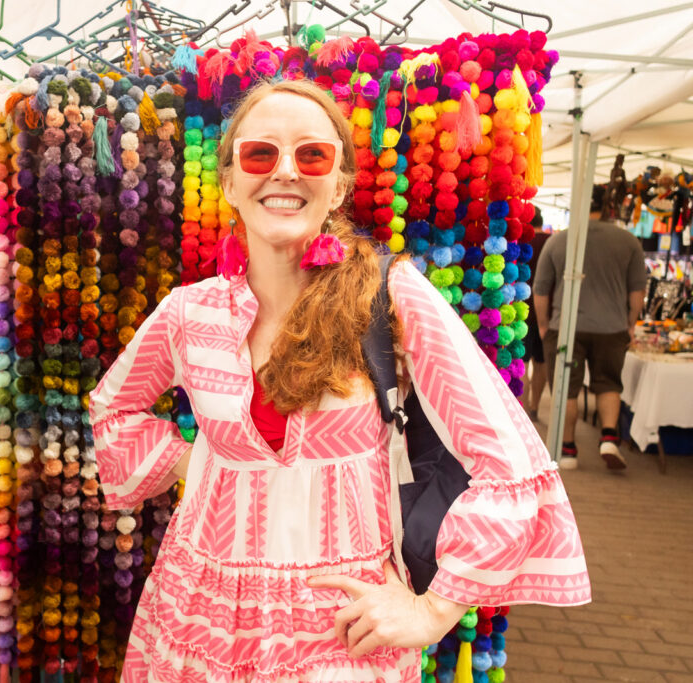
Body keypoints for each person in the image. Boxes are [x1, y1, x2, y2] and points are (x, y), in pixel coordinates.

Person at [90, 79, 589, 682]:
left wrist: (434, 611)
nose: (285, 173)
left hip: (342, 629)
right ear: (229, 181)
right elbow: (113, 409)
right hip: (197, 617)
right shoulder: (188, 314)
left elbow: (510, 459)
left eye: (311, 155)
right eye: (259, 154)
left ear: (339, 185)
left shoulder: (391, 296)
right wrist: (190, 462)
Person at [534, 185, 647, 470]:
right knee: (609, 382)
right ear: (609, 208)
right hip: (611, 327)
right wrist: (630, 324)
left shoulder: (560, 241)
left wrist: (545, 326)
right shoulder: (628, 241)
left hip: (566, 326)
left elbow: (541, 290)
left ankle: (568, 449)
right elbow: (637, 292)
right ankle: (609, 436)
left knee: (566, 389)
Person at [521, 208, 550, 419]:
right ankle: (535, 407)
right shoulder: (553, 242)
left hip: (522, 310)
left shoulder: (522, 243)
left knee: (522, 363)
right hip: (547, 313)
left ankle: (521, 408)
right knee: (541, 363)